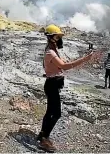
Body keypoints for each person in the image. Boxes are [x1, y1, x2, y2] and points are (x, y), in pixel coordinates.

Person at [37, 24, 94, 152]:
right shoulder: (50, 52)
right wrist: (84, 59)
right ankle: (44, 139)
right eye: (58, 36)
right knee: (56, 113)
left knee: (50, 112)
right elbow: (64, 66)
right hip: (51, 85)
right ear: (52, 38)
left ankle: (42, 134)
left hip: (52, 84)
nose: (60, 39)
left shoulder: (52, 49)